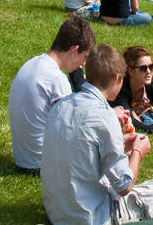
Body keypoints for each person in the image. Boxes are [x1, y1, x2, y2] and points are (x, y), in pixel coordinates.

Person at [41, 43, 153, 225]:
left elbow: (81, 148)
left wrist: (120, 143)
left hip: (56, 211)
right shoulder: (104, 116)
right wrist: (137, 152)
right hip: (90, 221)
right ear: (117, 78)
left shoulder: (62, 104)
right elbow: (123, 186)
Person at [8, 17, 96, 172]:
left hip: (23, 158)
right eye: (85, 57)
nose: (83, 64)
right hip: (40, 164)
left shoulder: (32, 63)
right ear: (74, 50)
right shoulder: (56, 79)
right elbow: (72, 129)